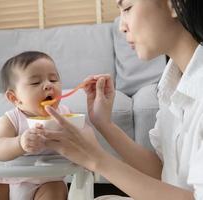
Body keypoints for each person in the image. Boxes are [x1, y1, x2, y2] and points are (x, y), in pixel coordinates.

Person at [42, 0, 203, 199]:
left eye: (127, 8)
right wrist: (104, 124)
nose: (121, 26)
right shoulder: (171, 84)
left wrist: (96, 159)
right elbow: (164, 172)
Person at [0, 51, 71, 200]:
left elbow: (81, 140)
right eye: (36, 82)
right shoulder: (12, 119)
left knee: (55, 191)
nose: (48, 85)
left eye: (53, 79)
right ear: (15, 98)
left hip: (48, 182)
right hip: (9, 183)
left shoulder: (65, 115)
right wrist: (20, 142)